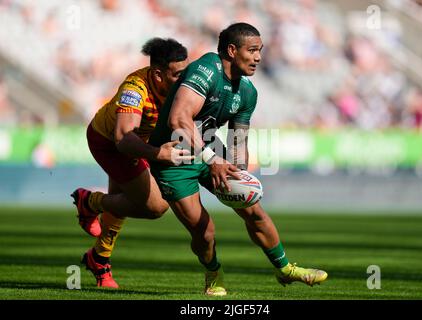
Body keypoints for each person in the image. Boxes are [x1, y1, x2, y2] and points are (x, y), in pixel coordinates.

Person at [149, 22, 328, 296]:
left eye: (261, 50)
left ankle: (285, 269)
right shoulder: (206, 69)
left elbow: (237, 143)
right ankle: (213, 272)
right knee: (204, 231)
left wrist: (240, 175)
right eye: (253, 50)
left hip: (209, 149)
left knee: (254, 210)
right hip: (173, 157)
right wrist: (212, 160)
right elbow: (177, 120)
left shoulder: (247, 92)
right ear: (232, 51)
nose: (258, 57)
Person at [71, 38, 192, 288]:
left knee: (121, 204)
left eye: (186, 73)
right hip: (110, 143)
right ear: (158, 75)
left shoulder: (180, 89)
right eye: (178, 74)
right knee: (155, 207)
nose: (184, 80)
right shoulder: (135, 89)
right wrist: (159, 154)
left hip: (138, 144)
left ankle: (99, 260)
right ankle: (90, 201)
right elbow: (123, 138)